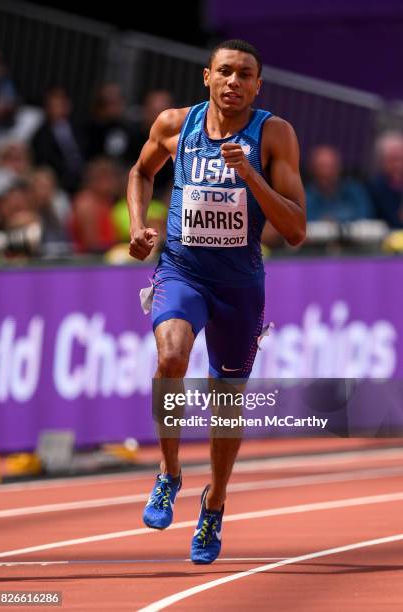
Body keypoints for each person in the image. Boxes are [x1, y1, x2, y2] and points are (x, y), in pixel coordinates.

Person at [127, 39, 306, 564]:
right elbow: (141, 172)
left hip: (240, 285)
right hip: (183, 270)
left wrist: (251, 175)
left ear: (258, 85)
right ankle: (169, 472)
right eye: (224, 71)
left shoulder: (274, 134)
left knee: (226, 405)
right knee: (171, 355)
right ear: (207, 76)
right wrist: (139, 227)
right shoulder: (174, 124)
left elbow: (295, 228)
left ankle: (215, 503)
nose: (234, 81)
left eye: (245, 74)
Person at [305, 145, 373, 223]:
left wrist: (335, 219)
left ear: (339, 168)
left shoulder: (354, 191)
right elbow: (306, 221)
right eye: (321, 167)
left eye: (331, 167)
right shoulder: (306, 197)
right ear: (312, 170)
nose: (326, 172)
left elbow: (366, 215)